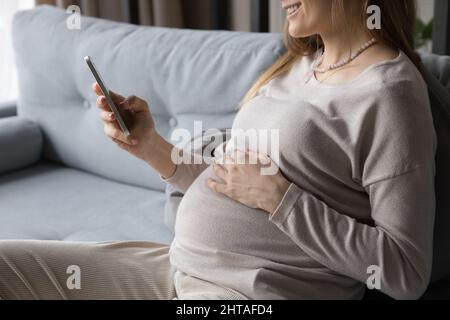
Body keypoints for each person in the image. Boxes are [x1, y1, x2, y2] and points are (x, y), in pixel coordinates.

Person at [0, 0, 436, 300]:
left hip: (246, 294)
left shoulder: (389, 94)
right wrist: (151, 146)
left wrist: (281, 200)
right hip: (175, 272)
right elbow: (233, 182)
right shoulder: (298, 65)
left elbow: (405, 271)